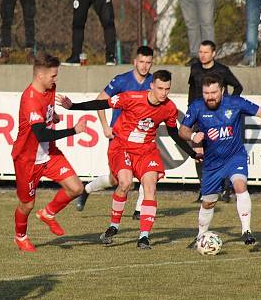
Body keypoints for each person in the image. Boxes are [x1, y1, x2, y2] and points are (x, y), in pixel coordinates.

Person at [58, 70, 200, 250]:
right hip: (122, 146)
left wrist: (193, 154)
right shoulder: (131, 97)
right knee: (124, 183)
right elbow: (102, 102)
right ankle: (114, 226)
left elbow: (173, 133)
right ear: (151, 86)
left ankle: (144, 237)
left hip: (146, 150)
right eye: (160, 88)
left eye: (167, 88)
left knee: (150, 187)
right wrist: (73, 107)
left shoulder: (169, 108)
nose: (164, 92)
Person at [179, 73, 261, 249]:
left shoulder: (236, 103)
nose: (210, 97)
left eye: (214, 92)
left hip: (235, 156)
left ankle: (246, 230)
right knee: (209, 201)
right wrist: (194, 135)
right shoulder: (196, 107)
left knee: (240, 185)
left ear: (222, 90)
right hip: (212, 163)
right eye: (206, 93)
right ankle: (201, 236)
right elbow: (182, 131)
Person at [11, 53, 90, 252]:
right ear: (40, 76)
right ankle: (20, 237)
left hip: (49, 154)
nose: (56, 80)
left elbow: (46, 113)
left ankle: (48, 213)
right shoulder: (29, 99)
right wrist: (74, 130)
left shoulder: (50, 88)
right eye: (53, 76)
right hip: (28, 159)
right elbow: (41, 134)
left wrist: (52, 116)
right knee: (27, 205)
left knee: (76, 188)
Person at [74, 45, 154, 219]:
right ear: (135, 62)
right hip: (119, 137)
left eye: (148, 62)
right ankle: (86, 189)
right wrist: (105, 126)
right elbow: (100, 101)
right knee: (116, 179)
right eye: (141, 61)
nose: (144, 65)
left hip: (142, 137)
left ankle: (139, 210)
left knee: (147, 173)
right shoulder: (121, 81)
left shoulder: (154, 83)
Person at [187, 40, 243, 202]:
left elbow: (238, 86)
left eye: (206, 52)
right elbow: (192, 90)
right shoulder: (195, 68)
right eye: (200, 52)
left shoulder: (222, 70)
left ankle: (226, 189)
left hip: (219, 118)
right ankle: (204, 189)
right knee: (199, 153)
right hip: (200, 116)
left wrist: (229, 105)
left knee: (222, 152)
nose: (202, 55)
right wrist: (191, 110)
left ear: (213, 53)